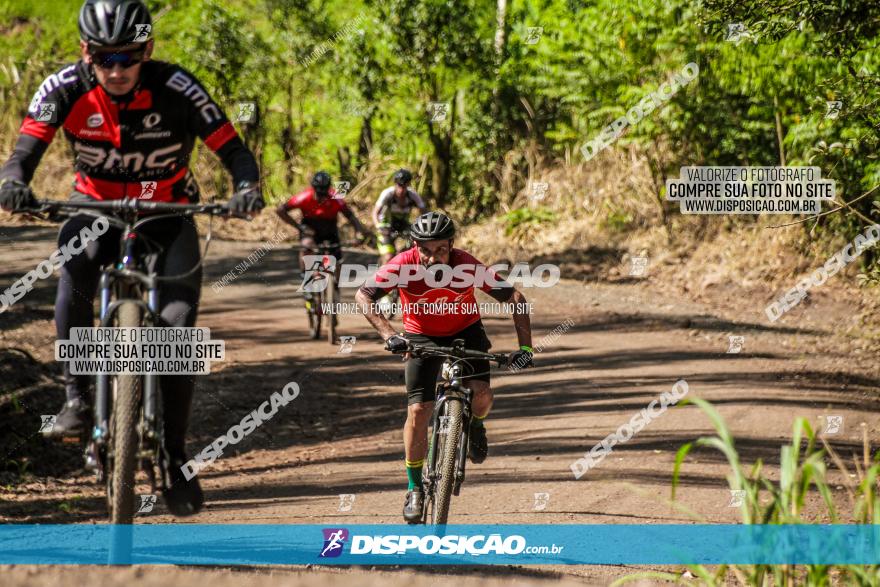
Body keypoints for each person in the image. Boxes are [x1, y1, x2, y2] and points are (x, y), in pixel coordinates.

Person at [0, 0, 263, 516]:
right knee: (73, 272)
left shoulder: (178, 87)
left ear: (148, 50)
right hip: (94, 208)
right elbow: (23, 154)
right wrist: (14, 184)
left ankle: (174, 454)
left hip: (167, 213)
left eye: (129, 56)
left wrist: (247, 187)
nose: (117, 69)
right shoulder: (62, 88)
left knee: (177, 328)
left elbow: (233, 149)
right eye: (104, 58)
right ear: (85, 53)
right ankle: (76, 399)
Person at [354, 211, 534, 523]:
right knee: (419, 411)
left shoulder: (466, 263)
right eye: (425, 249)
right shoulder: (402, 264)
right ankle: (414, 488)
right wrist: (390, 335)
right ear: (414, 245)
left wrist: (526, 348)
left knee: (482, 396)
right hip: (420, 335)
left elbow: (514, 297)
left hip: (466, 331)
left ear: (451, 245)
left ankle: (476, 426)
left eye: (441, 249)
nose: (433, 257)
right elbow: (364, 295)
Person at [275, 170, 372, 295]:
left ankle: (335, 287)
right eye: (318, 193)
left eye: (324, 193)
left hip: (330, 229)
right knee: (307, 246)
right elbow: (280, 210)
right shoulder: (304, 197)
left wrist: (359, 232)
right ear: (313, 189)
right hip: (310, 228)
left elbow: (350, 216)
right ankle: (305, 276)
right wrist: (298, 227)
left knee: (336, 260)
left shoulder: (336, 197)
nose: (321, 197)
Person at [372, 168, 427, 266]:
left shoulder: (413, 195)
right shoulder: (387, 194)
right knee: (389, 257)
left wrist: (423, 227)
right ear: (395, 184)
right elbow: (375, 213)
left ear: (408, 185)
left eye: (404, 186)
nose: (401, 189)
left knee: (413, 252)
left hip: (403, 225)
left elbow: (424, 213)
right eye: (399, 185)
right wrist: (378, 226)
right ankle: (382, 277)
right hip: (386, 226)